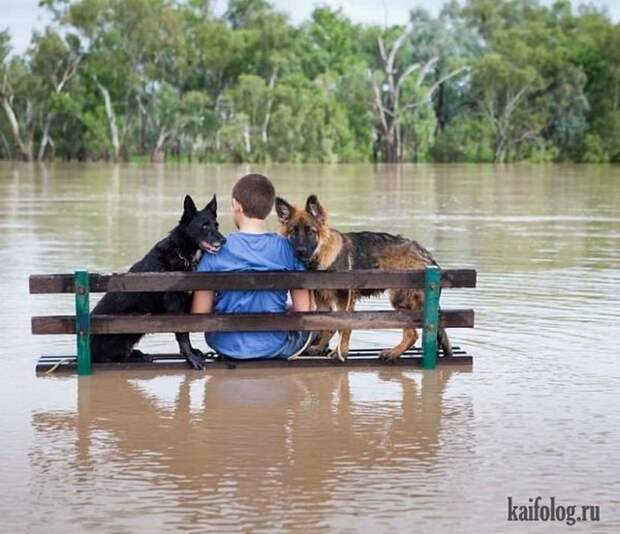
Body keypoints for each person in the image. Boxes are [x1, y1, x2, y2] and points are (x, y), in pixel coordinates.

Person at [191, 173, 312, 359]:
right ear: (271, 208)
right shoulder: (289, 249)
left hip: (225, 345)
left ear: (236, 206)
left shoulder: (215, 251)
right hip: (275, 346)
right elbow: (304, 311)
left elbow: (200, 314)